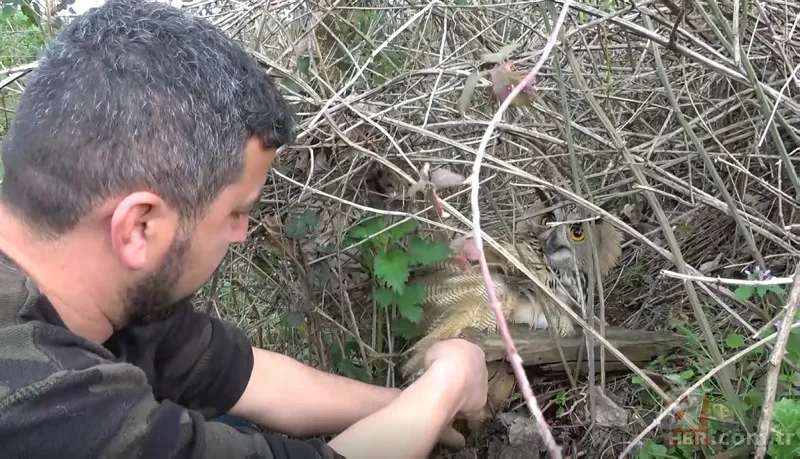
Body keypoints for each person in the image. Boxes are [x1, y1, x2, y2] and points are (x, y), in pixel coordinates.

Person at [0, 0, 489, 458]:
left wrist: (417, 405)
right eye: (235, 212)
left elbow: (246, 378)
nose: (242, 232)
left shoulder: (101, 292)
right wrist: (446, 382)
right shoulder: (40, 406)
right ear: (139, 226)